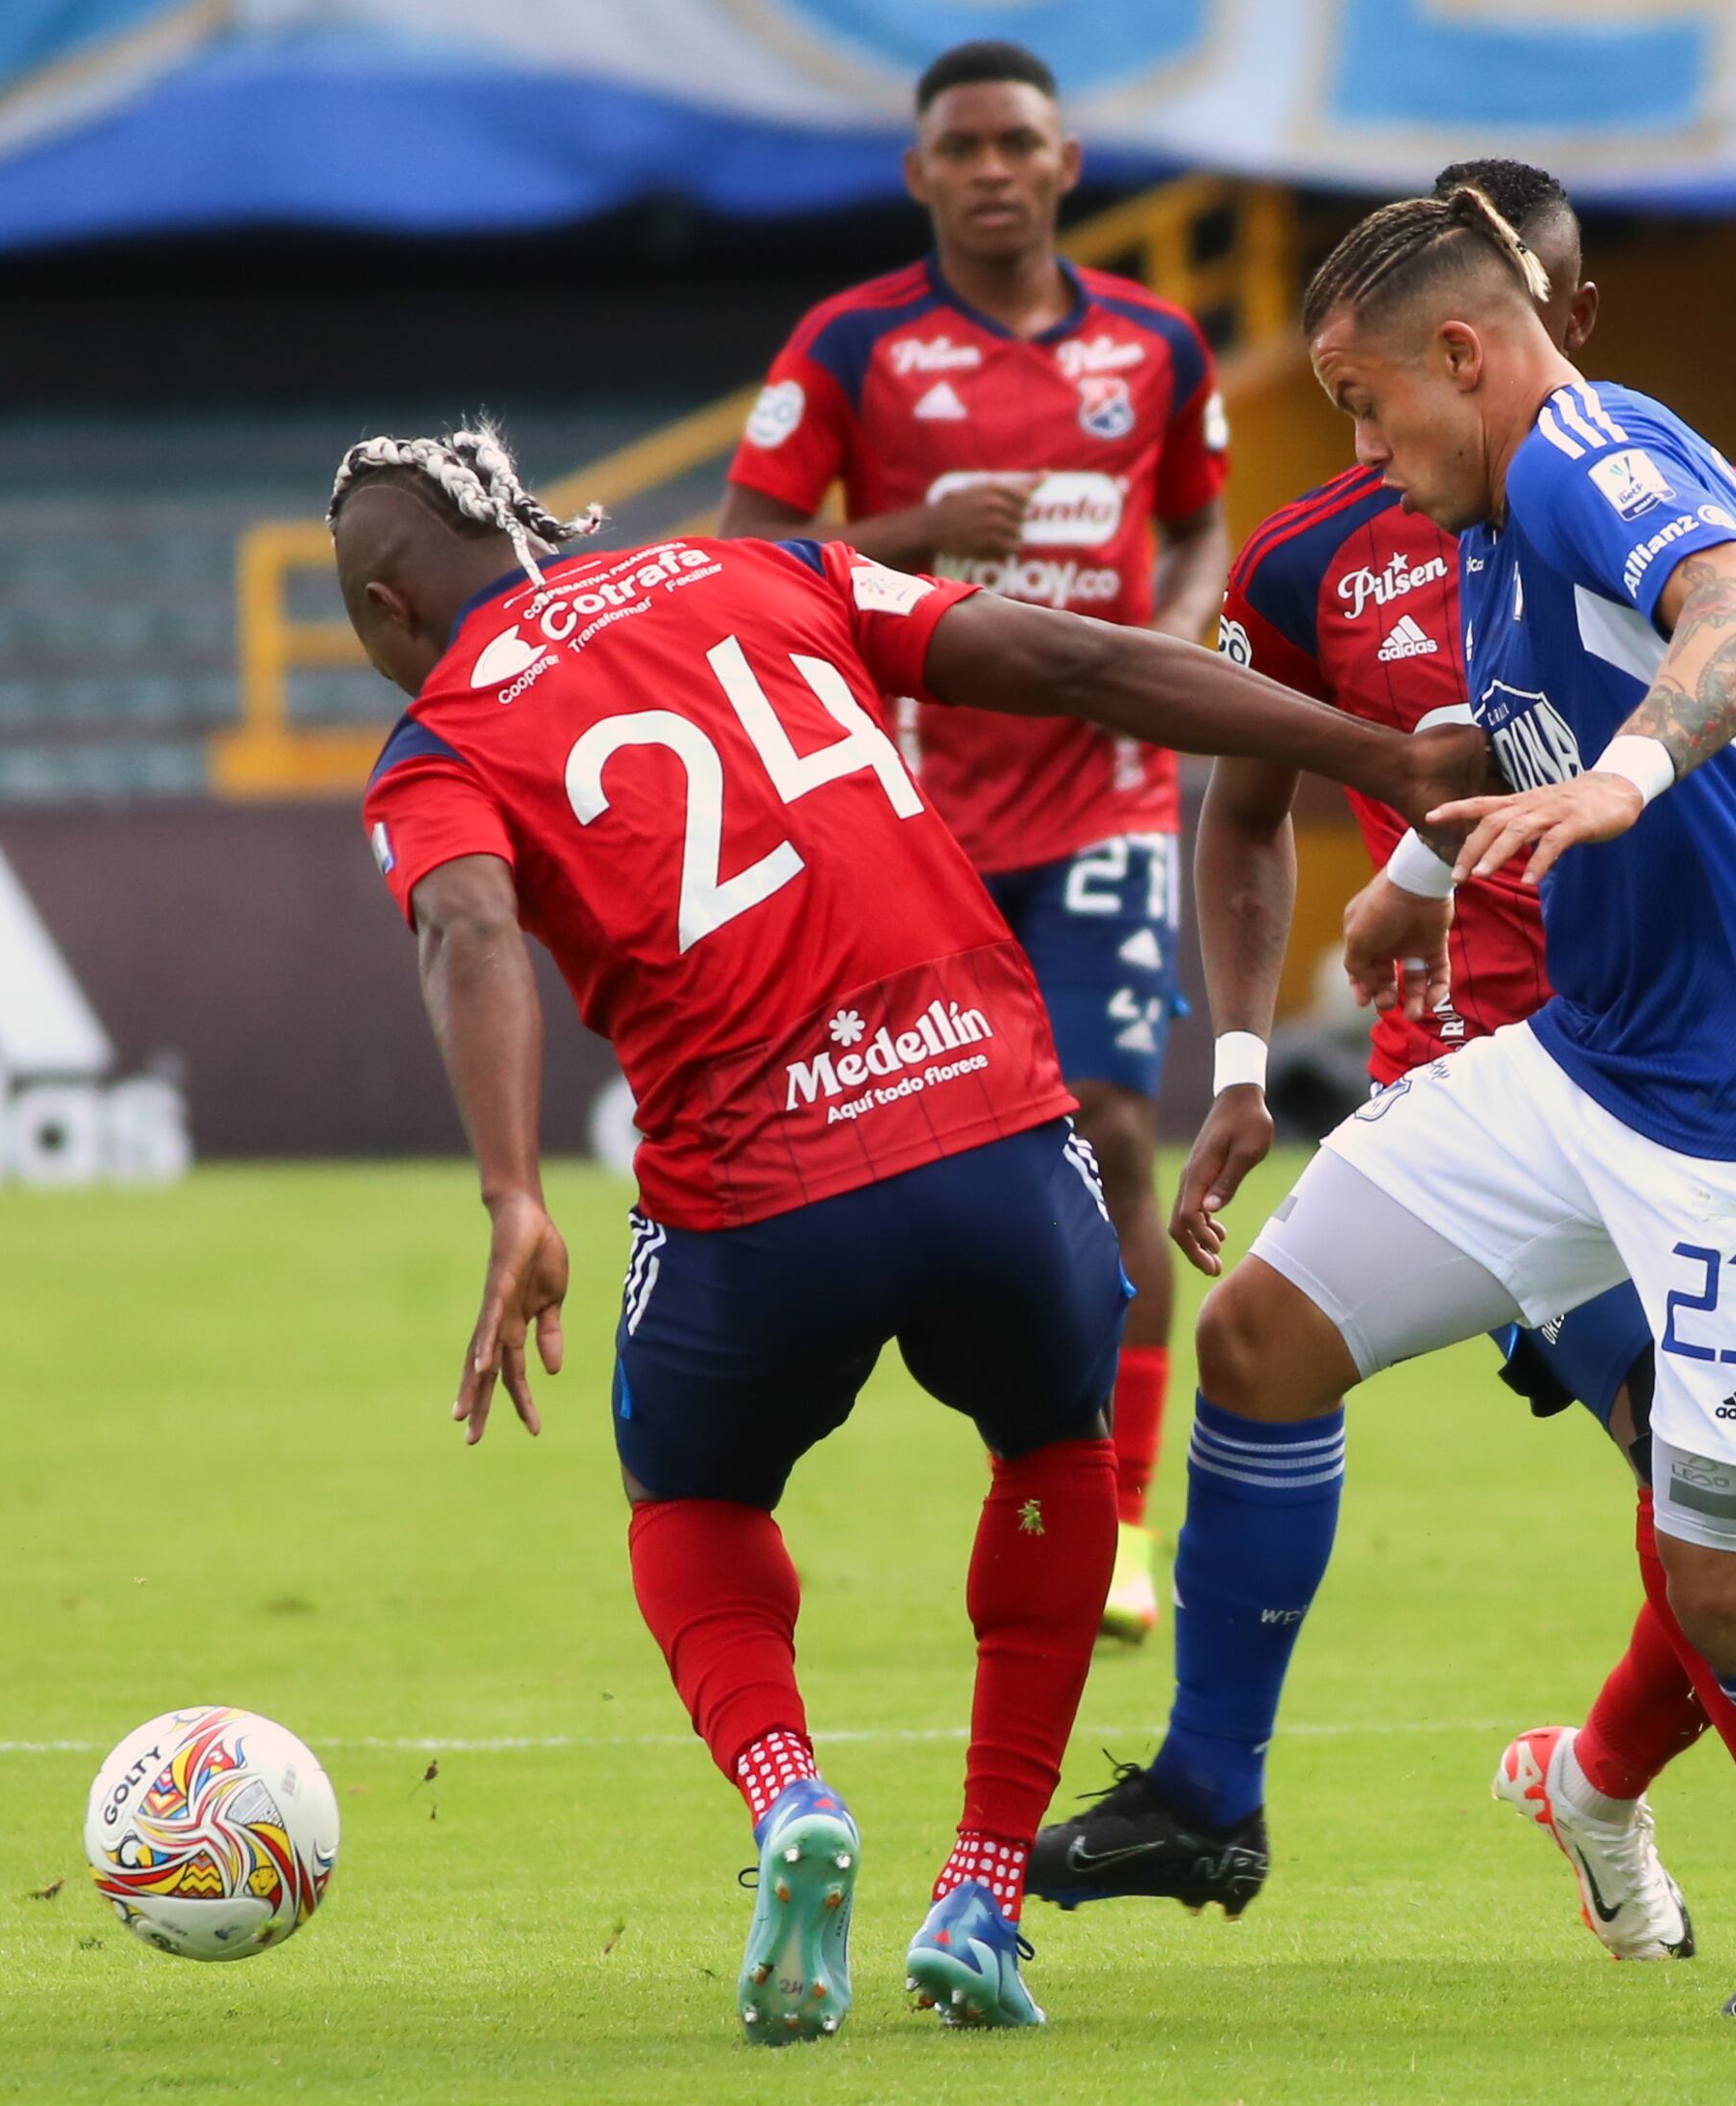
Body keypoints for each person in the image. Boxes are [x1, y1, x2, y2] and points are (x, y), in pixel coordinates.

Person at [330, 425, 1473, 2041]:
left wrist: (514, 1186)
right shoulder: (760, 568)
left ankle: (789, 1792)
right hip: (994, 1140)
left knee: (693, 1492)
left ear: (388, 604)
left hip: (756, 1202)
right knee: (1053, 1449)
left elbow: (464, 923)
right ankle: (988, 1888)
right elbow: (1076, 656)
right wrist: (1373, 752)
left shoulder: (435, 744)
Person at [1032, 189, 1736, 2022]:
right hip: (1587, 1065)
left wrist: (1631, 776)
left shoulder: (1580, 455)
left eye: (1366, 402)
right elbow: (1555, 703)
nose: (1363, 448)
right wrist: (1431, 834)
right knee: (1258, 1337)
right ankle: (1208, 1796)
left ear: (1464, 354)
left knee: (1735, 1595)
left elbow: (1734, 611)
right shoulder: (1480, 515)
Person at [718, 39, 1230, 1645]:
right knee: (913, 1157)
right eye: (964, 146)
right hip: (909, 808)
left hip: (1103, 797)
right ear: (920, 174)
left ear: (1068, 162)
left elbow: (1199, 517)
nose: (994, 167)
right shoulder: (852, 343)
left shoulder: (1156, 344)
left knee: (1111, 1125)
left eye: (1020, 140)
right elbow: (748, 559)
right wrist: (915, 539)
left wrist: (1180, 646)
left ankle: (1122, 1507)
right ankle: (958, 1442)